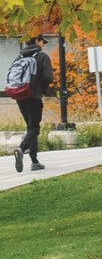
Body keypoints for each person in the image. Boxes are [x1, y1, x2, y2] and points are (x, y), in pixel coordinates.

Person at [12, 36, 54, 173]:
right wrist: (42, 88)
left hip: (20, 96)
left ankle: (34, 161)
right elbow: (48, 77)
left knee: (31, 128)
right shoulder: (42, 57)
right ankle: (22, 149)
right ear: (37, 42)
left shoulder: (19, 57)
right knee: (34, 128)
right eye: (43, 42)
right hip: (34, 97)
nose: (43, 45)